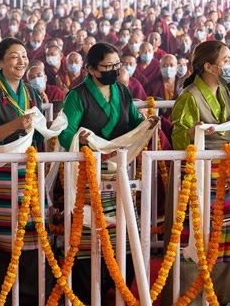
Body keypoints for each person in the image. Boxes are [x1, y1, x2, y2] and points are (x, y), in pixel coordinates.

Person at [58, 42, 156, 304]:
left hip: (119, 171)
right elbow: (66, 133)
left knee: (123, 233)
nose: (114, 70)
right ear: (90, 69)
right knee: (89, 234)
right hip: (89, 173)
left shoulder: (122, 92)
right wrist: (84, 139)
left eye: (117, 65)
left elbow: (133, 123)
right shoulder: (77, 96)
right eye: (107, 66)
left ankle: (119, 287)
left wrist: (147, 124)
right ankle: (87, 294)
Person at [165, 39, 230, 304]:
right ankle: (190, 297)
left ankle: (223, 296)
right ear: (208, 66)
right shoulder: (189, 96)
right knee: (193, 237)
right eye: (227, 60)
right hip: (196, 175)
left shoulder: (225, 93)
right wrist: (196, 131)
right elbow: (178, 137)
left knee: (224, 236)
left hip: (223, 176)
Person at [0, 37, 48, 305]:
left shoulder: (32, 93)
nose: (21, 61)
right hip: (0, 172)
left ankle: (29, 295)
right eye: (14, 56)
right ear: (0, 62)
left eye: (24, 56)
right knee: (0, 236)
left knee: (31, 233)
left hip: (28, 171)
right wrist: (16, 124)